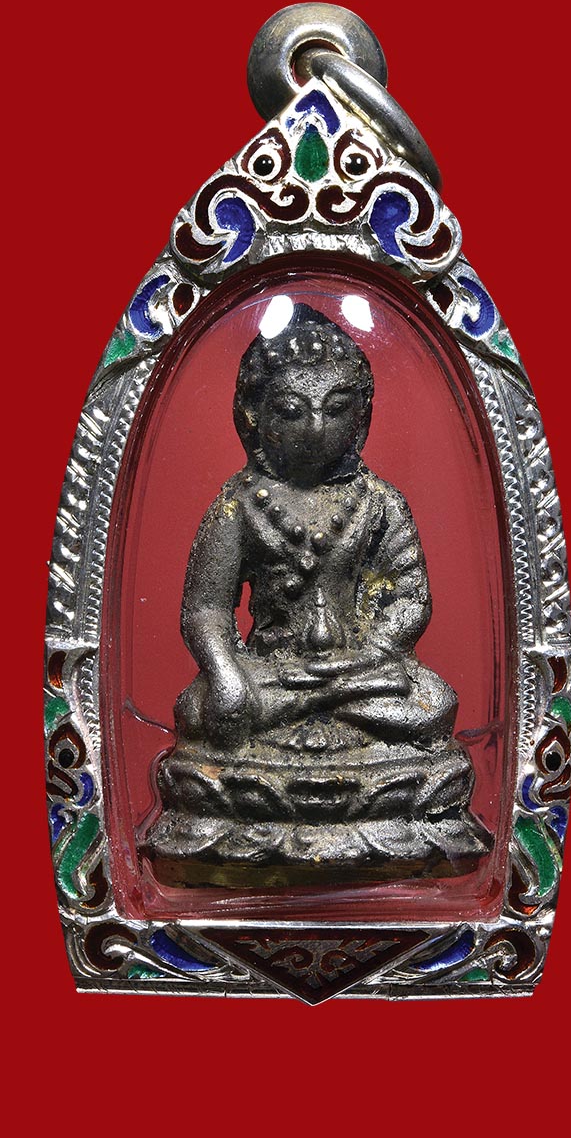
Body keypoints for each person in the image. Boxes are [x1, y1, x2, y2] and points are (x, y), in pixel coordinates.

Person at [146, 303, 489, 887]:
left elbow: (411, 597)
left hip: (360, 670)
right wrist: (226, 672)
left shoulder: (379, 503)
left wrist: (371, 654)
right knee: (204, 710)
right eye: (291, 410)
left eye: (335, 409)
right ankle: (296, 733)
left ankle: (323, 729)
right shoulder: (240, 504)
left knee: (433, 704)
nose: (313, 428)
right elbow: (205, 608)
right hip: (271, 671)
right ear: (253, 416)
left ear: (361, 415)